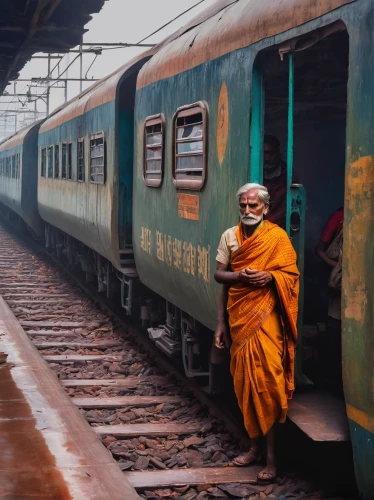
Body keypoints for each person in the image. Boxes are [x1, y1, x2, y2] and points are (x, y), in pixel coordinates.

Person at [214, 183, 299, 484]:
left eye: (254, 206)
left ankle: (273, 458)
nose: (248, 211)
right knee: (244, 385)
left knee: (268, 385)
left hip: (267, 321)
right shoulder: (230, 237)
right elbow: (219, 277)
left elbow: (291, 275)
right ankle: (253, 447)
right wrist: (221, 322)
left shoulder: (278, 238)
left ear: (266, 207)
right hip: (240, 320)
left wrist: (271, 276)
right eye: (243, 206)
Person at [316, 208, 344, 391]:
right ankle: (332, 380)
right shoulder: (339, 217)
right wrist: (339, 268)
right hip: (340, 285)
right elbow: (319, 251)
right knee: (335, 330)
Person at [263, 134, 298, 229]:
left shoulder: (289, 178)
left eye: (270, 153)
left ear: (278, 153)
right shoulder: (256, 176)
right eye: (264, 153)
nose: (266, 158)